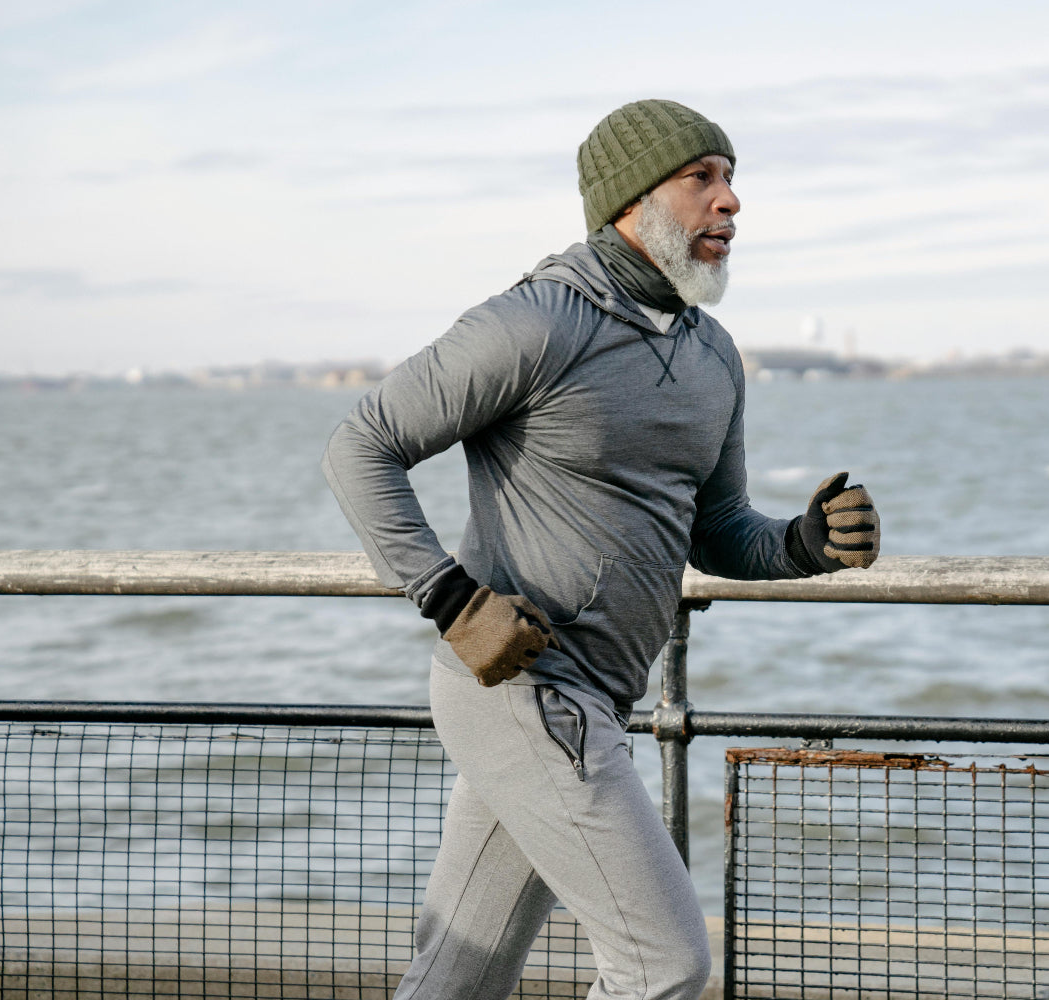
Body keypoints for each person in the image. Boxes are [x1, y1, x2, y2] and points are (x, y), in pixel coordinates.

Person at [322, 98, 881, 1000]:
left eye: (732, 178)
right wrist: (450, 598)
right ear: (630, 201)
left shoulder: (715, 357)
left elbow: (717, 529)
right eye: (701, 178)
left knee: (454, 982)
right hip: (522, 690)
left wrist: (805, 543)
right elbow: (361, 445)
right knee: (664, 963)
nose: (730, 201)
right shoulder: (537, 323)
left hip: (592, 704)